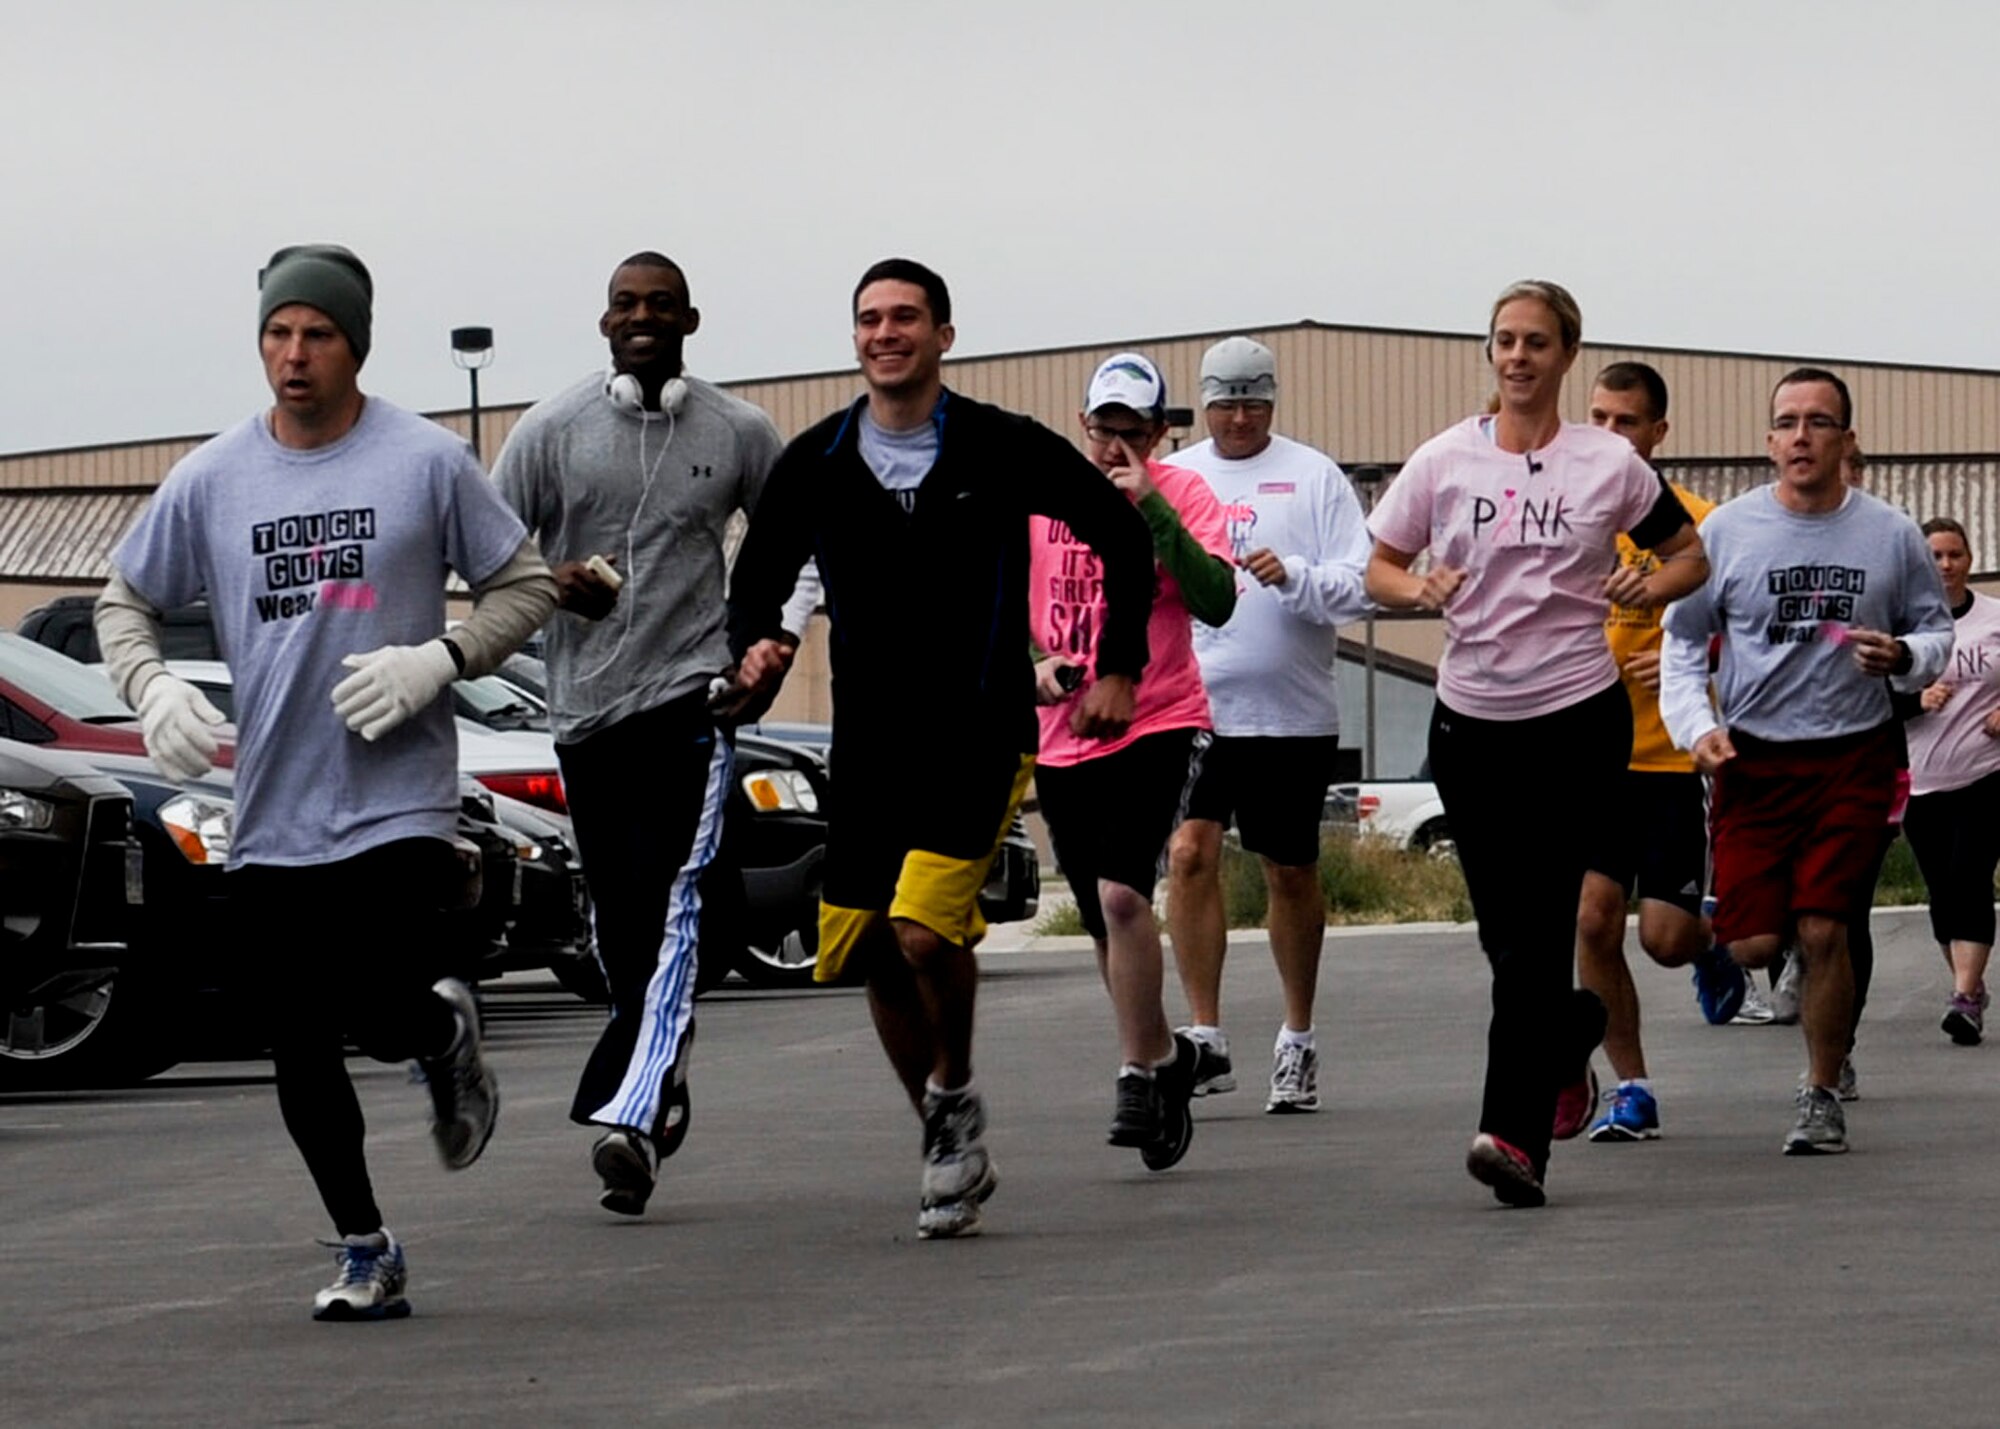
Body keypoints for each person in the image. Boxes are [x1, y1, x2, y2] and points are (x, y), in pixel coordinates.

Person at [94, 244, 558, 1319]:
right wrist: (151, 686)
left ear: (356, 345)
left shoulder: (425, 461)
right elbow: (123, 602)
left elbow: (524, 585)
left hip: (396, 797)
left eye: (316, 335)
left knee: (377, 1000)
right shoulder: (213, 476)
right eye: (276, 333)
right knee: (297, 1040)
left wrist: (439, 659)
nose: (293, 355)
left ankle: (436, 1037)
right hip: (273, 808)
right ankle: (365, 1244)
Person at [716, 259, 1156, 1238]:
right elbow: (758, 580)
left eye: (905, 317)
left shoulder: (1000, 446)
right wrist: (755, 649)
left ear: (943, 335)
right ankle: (943, 1132)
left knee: (923, 930)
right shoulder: (819, 460)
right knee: (865, 946)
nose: (886, 332)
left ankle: (953, 1092)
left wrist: (1116, 665)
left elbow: (1120, 538)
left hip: (980, 727)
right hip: (868, 742)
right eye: (869, 318)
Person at [1364, 280, 1706, 1208]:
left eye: (1537, 343)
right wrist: (1414, 591)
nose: (1518, 357)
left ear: (1565, 356)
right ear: (1490, 355)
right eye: (1504, 341)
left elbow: (1689, 554)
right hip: (1471, 723)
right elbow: (1379, 563)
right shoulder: (1442, 462)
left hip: (1575, 720)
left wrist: (1651, 588)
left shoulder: (1607, 465)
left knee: (1539, 933)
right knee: (1504, 935)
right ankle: (1575, 1025)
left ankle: (1511, 1138)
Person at [491, 252, 812, 1217]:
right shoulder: (550, 431)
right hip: (586, 710)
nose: (642, 318)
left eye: (660, 306)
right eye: (626, 305)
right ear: (603, 324)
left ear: (690, 321)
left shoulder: (740, 430)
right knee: (627, 921)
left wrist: (772, 641)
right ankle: (658, 1071)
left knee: (682, 904)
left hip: (692, 699)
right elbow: (488, 554)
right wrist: (553, 584)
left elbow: (800, 545)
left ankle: (626, 1111)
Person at [1660, 367, 1952, 1155]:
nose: (1801, 436)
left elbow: (1936, 633)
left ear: (1847, 441)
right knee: (1756, 944)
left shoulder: (1889, 533)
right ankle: (1762, 942)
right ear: (1768, 442)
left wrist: (1904, 655)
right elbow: (1682, 647)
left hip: (1852, 758)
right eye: (1786, 422)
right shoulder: (1727, 533)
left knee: (1826, 928)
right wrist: (1697, 729)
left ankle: (1822, 1089)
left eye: (1819, 422)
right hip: (1754, 762)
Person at [1031, 353, 1235, 1167]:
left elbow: (1216, 597)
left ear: (1157, 433)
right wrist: (1036, 664)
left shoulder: (1182, 493)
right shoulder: (1044, 502)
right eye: (1102, 429)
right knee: (1100, 917)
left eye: (1132, 432)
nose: (1114, 445)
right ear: (1083, 425)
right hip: (1065, 729)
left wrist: (1152, 507)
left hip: (1160, 717)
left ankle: (1134, 1069)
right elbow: (1004, 598)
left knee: (1124, 894)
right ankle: (1166, 1060)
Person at [1163, 336, 1372, 1113]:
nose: (1240, 417)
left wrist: (1298, 576)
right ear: (1203, 404)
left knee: (1288, 870)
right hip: (1191, 708)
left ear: (1273, 401)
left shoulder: (1313, 476)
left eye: (1254, 402)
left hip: (1290, 713)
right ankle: (1206, 1033)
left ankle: (1298, 1036)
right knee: (1188, 852)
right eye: (1225, 402)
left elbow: (1362, 583)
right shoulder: (1176, 478)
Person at [1571, 362, 1744, 1142]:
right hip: (1592, 757)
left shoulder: (1701, 526)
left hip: (1674, 761)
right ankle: (1632, 1087)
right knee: (1593, 919)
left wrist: (1695, 663)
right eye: (1599, 419)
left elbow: (1749, 640)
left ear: (1657, 434)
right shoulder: (1570, 521)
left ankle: (1712, 946)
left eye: (1627, 423)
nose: (1611, 436)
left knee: (1664, 938)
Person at [1901, 516, 2000, 1045]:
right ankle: (1970, 988)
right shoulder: (1905, 625)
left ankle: (1963, 995)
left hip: (1986, 773)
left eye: (1954, 554)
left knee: (1969, 877)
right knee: (1943, 894)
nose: (1946, 565)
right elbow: (1870, 697)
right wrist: (1915, 700)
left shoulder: (1993, 617)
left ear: (1968, 558)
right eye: (1935, 555)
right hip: (1924, 779)